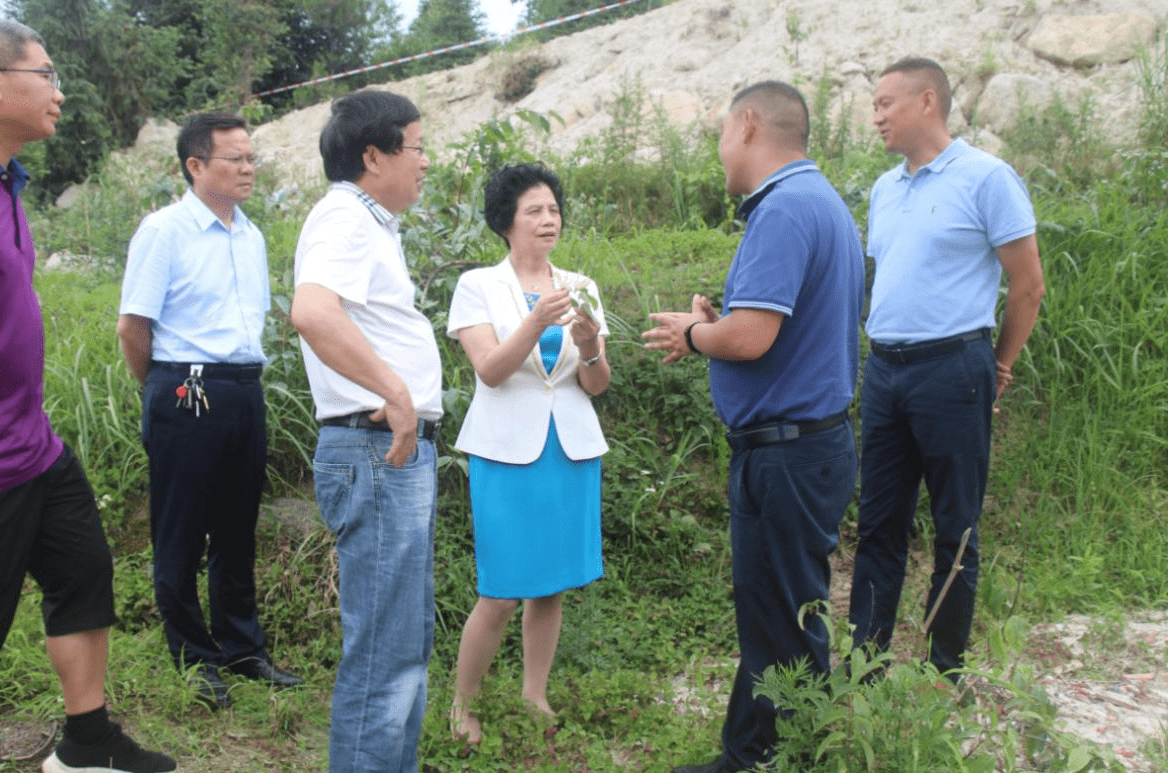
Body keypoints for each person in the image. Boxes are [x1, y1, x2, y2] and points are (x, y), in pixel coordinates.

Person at [0, 19, 175, 773]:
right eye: (46, 74)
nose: (59, 91)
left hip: (28, 442)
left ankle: (86, 744)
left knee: (84, 572)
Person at [643, 81, 864, 772]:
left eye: (718, 132)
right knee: (776, 613)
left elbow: (750, 337)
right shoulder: (821, 202)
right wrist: (715, 328)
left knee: (786, 622)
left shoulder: (783, 210)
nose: (717, 150)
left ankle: (791, 758)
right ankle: (748, 754)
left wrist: (699, 329)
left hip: (787, 453)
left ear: (745, 125)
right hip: (806, 447)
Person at [848, 57, 1045, 675]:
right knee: (879, 522)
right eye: (874, 105)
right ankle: (864, 666)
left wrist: (1002, 365)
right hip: (885, 370)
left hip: (953, 367)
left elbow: (1028, 285)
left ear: (927, 100)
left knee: (955, 525)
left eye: (885, 103)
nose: (875, 116)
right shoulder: (885, 188)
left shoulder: (987, 178)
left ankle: (943, 667)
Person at [116, 112, 301, 709]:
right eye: (235, 159)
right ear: (196, 166)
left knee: (237, 526)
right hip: (184, 388)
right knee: (180, 530)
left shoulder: (250, 234)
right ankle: (193, 659)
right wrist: (161, 389)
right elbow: (133, 326)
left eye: (252, 159)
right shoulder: (164, 230)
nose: (249, 169)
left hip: (244, 389)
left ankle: (243, 648)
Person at [290, 89, 441, 773]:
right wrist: (395, 390)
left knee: (402, 647)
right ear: (372, 154)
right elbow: (313, 312)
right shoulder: (344, 217)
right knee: (384, 652)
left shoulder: (372, 223)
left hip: (388, 452)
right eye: (415, 146)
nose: (426, 161)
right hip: (375, 446)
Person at [447, 163, 612, 747]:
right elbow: (490, 371)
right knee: (500, 587)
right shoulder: (477, 285)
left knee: (551, 585)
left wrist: (591, 347)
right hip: (504, 450)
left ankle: (533, 693)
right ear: (506, 222)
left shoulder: (582, 284)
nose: (548, 221)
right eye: (534, 211)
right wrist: (534, 319)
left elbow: (594, 385)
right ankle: (462, 706)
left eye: (554, 210)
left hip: (569, 447)